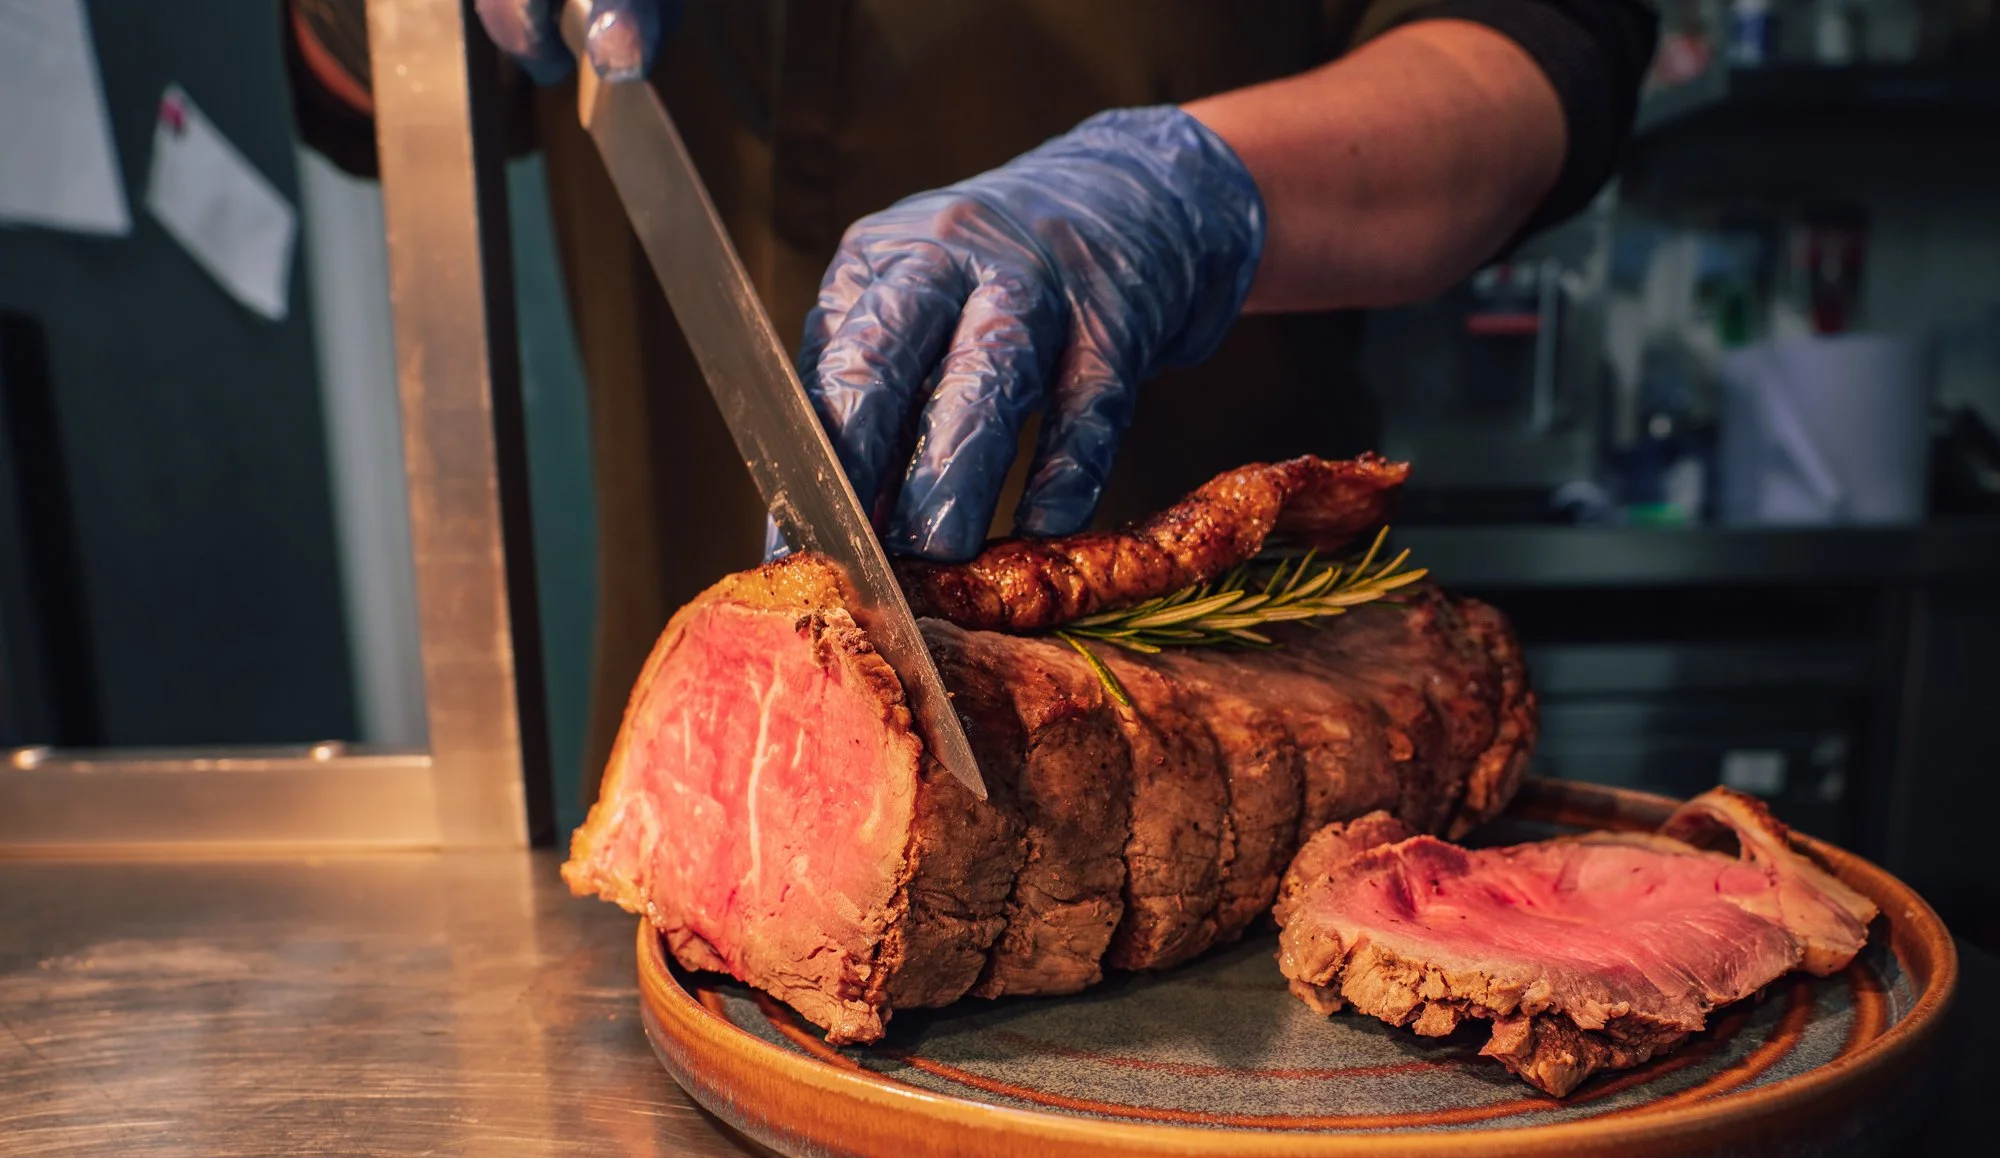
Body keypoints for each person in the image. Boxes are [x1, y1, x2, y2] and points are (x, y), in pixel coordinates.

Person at [288, 0, 1655, 787]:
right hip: (703, 742)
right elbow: (361, 91)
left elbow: (1534, 67)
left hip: (1244, 715)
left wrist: (1192, 191)